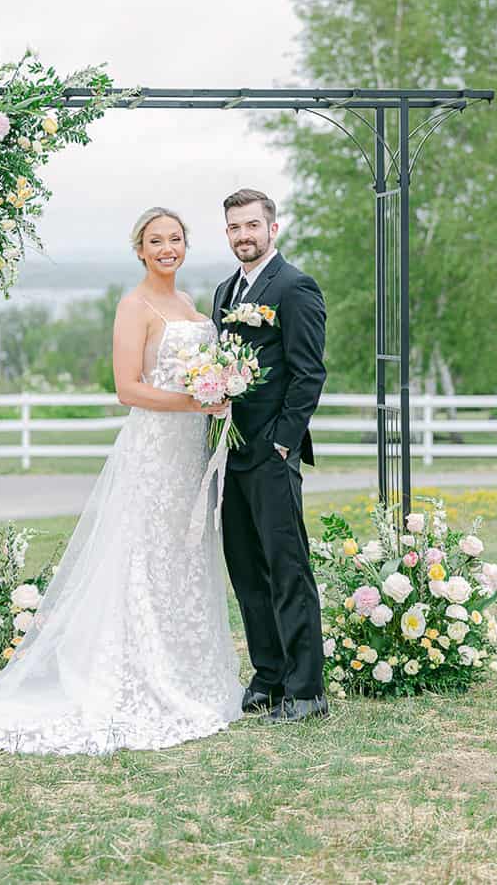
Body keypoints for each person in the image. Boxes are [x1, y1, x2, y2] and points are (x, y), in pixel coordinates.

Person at [0, 207, 243, 754]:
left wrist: (215, 395)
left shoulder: (193, 309)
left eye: (175, 239)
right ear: (139, 249)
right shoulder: (134, 307)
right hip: (154, 452)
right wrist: (197, 401)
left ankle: (188, 672)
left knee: (180, 558)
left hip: (188, 459)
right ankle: (138, 674)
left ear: (186, 245)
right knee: (143, 558)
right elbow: (127, 390)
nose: (166, 248)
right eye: (155, 240)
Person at [211, 188, 329, 724]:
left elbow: (309, 374)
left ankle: (307, 689)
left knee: (287, 570)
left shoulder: (295, 287)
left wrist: (283, 441)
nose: (244, 236)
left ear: (272, 229)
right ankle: (269, 676)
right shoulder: (222, 292)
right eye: (235, 228)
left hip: (272, 455)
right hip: (229, 455)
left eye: (252, 226)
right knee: (246, 571)